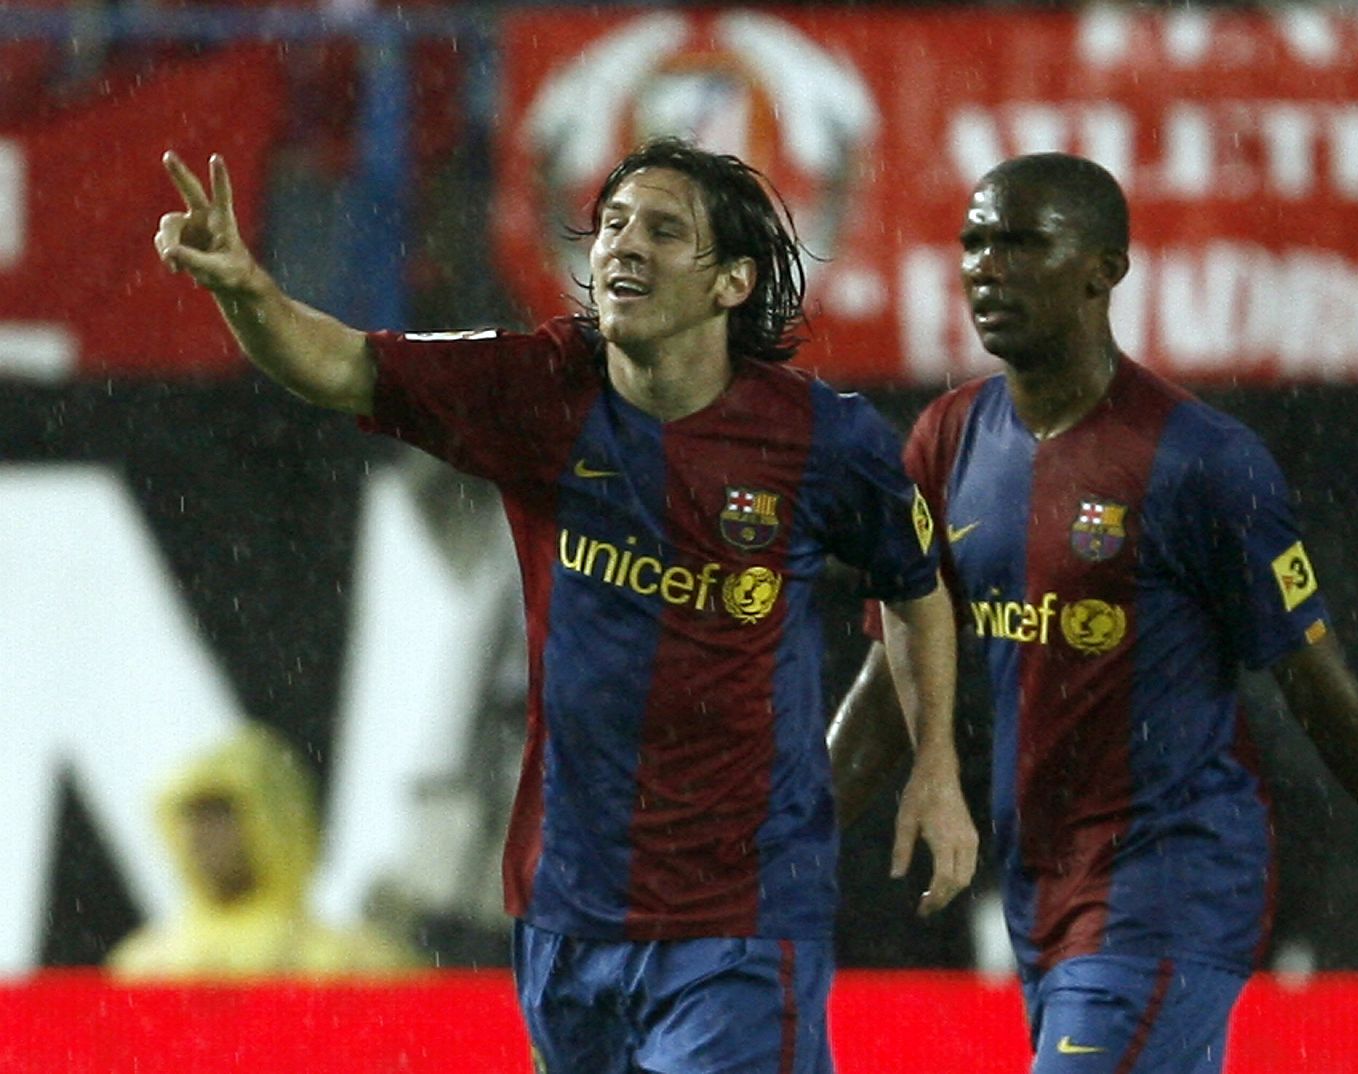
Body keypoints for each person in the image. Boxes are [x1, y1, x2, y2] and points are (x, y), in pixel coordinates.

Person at [154, 137, 977, 1072]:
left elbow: (917, 587)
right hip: (565, 908)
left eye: (664, 231)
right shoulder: (539, 387)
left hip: (740, 915)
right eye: (614, 223)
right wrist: (244, 290)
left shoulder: (823, 441)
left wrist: (936, 769)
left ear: (733, 284)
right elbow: (343, 366)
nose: (624, 245)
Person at [827, 153, 1358, 1073]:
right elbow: (891, 685)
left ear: (1104, 269)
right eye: (974, 243)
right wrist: (760, 861)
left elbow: (1320, 687)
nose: (986, 267)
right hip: (1038, 880)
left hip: (1171, 878)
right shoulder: (946, 441)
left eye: (1022, 242)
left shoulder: (1202, 462)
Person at [107, 722, 420, 979]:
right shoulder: (146, 967)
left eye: (220, 813)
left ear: (275, 818)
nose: (197, 835)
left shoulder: (352, 963)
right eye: (189, 816)